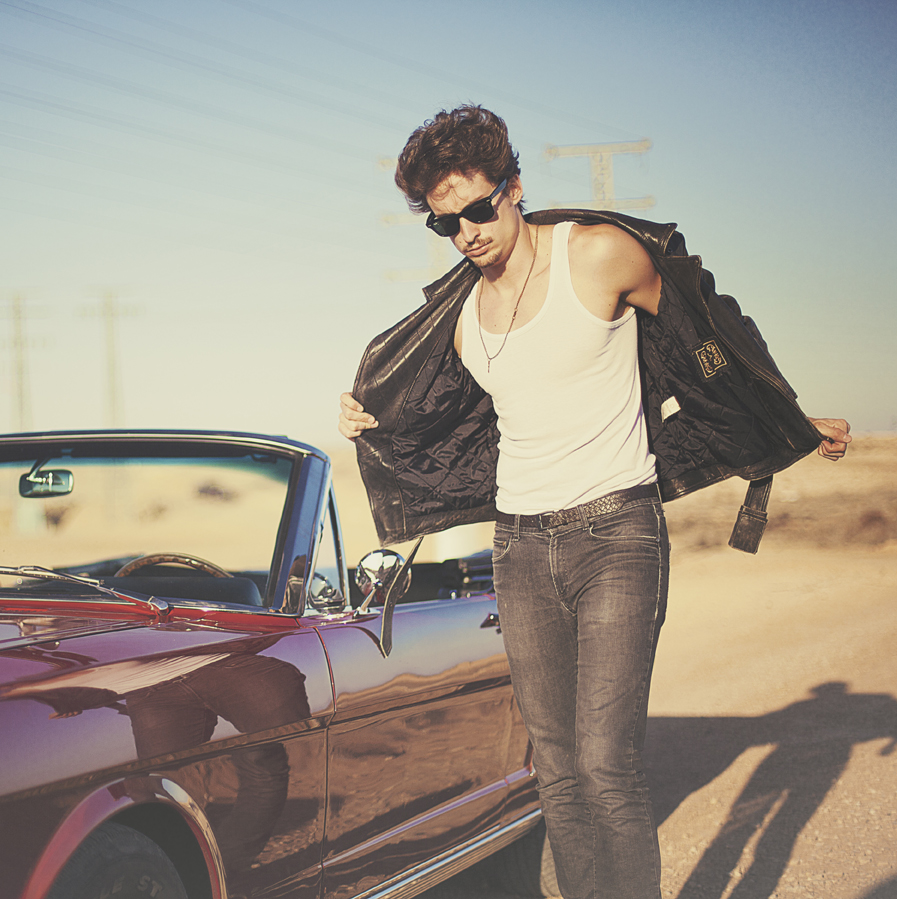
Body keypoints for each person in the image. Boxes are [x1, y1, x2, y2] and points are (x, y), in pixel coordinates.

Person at [337, 105, 849, 899]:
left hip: (617, 536)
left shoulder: (601, 255)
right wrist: (365, 414)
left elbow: (707, 342)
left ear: (514, 188)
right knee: (558, 769)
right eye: (445, 223)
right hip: (519, 550)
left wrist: (788, 416)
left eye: (478, 209)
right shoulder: (459, 315)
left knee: (607, 763)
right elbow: (427, 416)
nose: (466, 233)